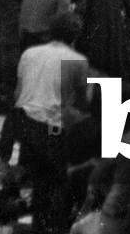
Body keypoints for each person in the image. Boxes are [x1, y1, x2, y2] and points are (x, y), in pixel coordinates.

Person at [15, 12, 88, 234]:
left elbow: (18, 92)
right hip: (52, 127)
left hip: (25, 122)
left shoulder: (29, 53)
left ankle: (38, 225)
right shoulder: (77, 61)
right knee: (58, 182)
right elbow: (81, 102)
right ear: (75, 36)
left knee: (39, 182)